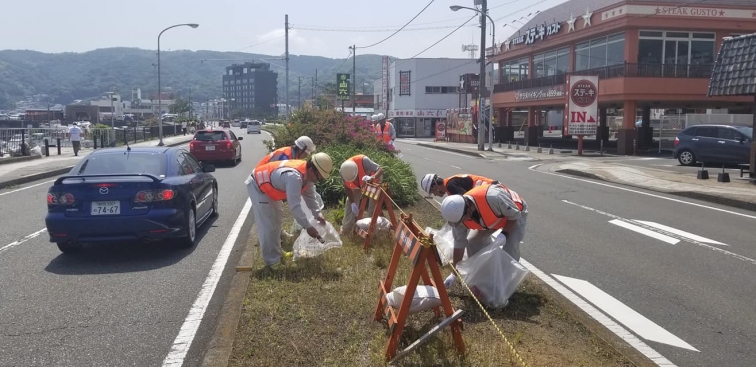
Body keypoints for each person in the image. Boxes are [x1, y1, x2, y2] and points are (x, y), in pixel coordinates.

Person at [245, 152, 334, 267]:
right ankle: (272, 262)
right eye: (319, 177)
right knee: (268, 225)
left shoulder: (307, 176)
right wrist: (308, 227)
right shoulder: (294, 177)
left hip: (270, 187)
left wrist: (318, 214)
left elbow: (310, 196)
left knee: (277, 221)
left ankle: (277, 252)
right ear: (312, 170)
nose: (319, 180)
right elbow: (295, 206)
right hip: (258, 186)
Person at [439, 183, 528, 288]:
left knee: (510, 247)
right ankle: (483, 275)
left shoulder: (492, 198)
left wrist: (504, 234)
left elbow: (514, 215)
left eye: (463, 219)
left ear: (468, 209)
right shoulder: (458, 218)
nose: (463, 223)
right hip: (490, 220)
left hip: (515, 213)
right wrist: (454, 273)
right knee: (473, 242)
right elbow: (459, 245)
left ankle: (506, 284)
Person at [338, 154, 383, 234]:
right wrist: (353, 203)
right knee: (350, 201)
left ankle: (371, 228)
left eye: (354, 178)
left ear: (356, 170)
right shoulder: (343, 172)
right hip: (359, 185)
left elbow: (380, 170)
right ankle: (347, 228)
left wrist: (372, 177)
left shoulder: (364, 161)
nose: (353, 180)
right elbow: (347, 188)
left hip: (374, 180)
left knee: (373, 205)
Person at [420, 173, 497, 198]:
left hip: (491, 191)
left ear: (434, 187)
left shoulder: (450, 186)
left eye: (432, 192)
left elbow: (466, 200)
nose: (435, 195)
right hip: (490, 189)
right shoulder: (449, 183)